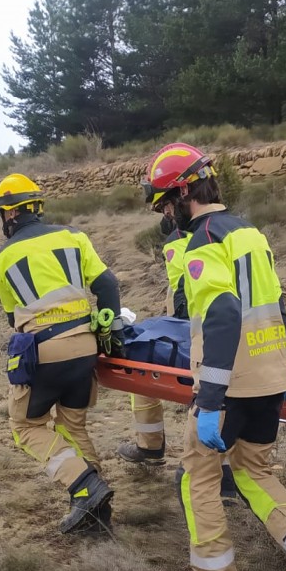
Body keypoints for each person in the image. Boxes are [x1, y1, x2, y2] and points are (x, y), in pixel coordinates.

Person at [147, 142, 286, 571]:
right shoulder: (250, 234)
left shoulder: (204, 243)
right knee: (253, 472)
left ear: (182, 195)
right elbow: (275, 307)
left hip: (230, 384)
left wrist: (212, 399)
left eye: (164, 203)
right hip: (269, 377)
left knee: (196, 476)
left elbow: (220, 315)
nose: (165, 214)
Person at [0, 173, 122, 534]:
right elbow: (107, 284)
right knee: (73, 425)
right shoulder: (74, 236)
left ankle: (85, 487)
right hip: (86, 346)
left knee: (26, 427)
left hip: (45, 349)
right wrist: (109, 325)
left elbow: (11, 317)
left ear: (10, 214)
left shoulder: (0, 260)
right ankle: (97, 516)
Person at [114, 182, 191, 466]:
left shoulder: (178, 242)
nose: (166, 214)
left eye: (166, 207)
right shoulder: (235, 230)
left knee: (140, 365)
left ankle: (150, 446)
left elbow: (184, 294)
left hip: (196, 333)